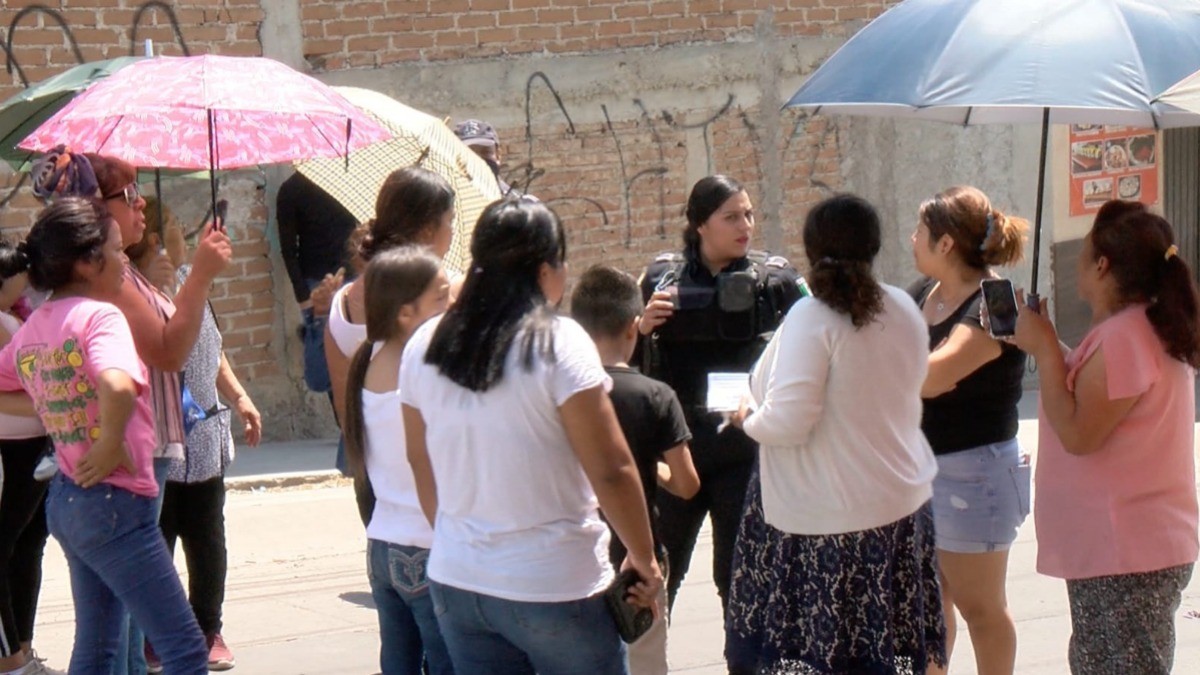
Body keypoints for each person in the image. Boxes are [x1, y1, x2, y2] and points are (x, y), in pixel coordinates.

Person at [400, 198, 664, 674]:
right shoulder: (558, 341)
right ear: (546, 271)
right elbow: (611, 468)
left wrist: (461, 540)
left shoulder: (426, 343)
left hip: (458, 581)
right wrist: (644, 558)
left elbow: (419, 461)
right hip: (556, 585)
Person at [31, 148, 232, 675]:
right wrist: (201, 277)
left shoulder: (93, 286)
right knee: (165, 645)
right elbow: (161, 355)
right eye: (128, 195)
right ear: (96, 211)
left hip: (84, 489)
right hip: (120, 481)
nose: (142, 205)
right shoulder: (106, 287)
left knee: (104, 641)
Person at [725, 194, 945, 674]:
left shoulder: (813, 317)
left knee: (817, 658)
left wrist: (747, 418)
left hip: (828, 525)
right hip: (898, 512)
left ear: (811, 248)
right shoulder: (903, 306)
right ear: (874, 246)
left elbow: (788, 421)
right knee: (893, 652)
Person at [1012, 200, 1199, 675]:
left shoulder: (1123, 336)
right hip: (1132, 546)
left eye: (1085, 252)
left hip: (1125, 551)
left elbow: (1078, 433)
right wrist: (1048, 343)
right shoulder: (1141, 328)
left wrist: (1046, 355)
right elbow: (1094, 391)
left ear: (1102, 263)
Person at [636, 175, 803, 616]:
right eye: (731, 217)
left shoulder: (777, 280)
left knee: (743, 584)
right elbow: (625, 365)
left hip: (743, 451)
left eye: (748, 214)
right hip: (679, 451)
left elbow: (815, 347)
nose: (744, 225)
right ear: (700, 225)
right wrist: (642, 327)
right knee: (656, 577)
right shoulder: (660, 277)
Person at [135, 197, 262, 672]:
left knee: (208, 540)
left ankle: (208, 627)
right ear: (147, 242)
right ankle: (157, 633)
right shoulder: (139, 298)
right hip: (162, 441)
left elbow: (214, 351)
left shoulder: (192, 286)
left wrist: (239, 398)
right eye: (165, 227)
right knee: (159, 539)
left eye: (174, 224)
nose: (176, 234)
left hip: (205, 440)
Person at [908, 186, 1030, 675]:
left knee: (981, 608)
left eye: (919, 230)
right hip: (922, 468)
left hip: (975, 472)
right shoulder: (922, 292)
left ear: (944, 244)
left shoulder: (998, 302)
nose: (910, 238)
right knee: (925, 608)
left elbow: (934, 376)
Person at [571, 264, 699, 675]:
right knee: (643, 660)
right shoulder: (655, 395)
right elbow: (686, 483)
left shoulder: (560, 393)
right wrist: (652, 469)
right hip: (635, 560)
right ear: (633, 327)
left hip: (573, 554)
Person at [342, 246, 454, 675]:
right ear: (407, 313)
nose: (451, 308)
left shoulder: (368, 357)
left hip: (383, 544)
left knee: (398, 663)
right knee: (447, 665)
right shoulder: (424, 365)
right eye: (441, 298)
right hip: (426, 545)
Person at [324, 167, 455, 528]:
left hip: (374, 485)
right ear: (428, 230)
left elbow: (343, 408)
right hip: (431, 493)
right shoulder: (442, 296)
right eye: (450, 221)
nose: (453, 232)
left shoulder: (343, 302)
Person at [0, 243, 58, 675]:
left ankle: (22, 646)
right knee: (8, 548)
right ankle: (12, 657)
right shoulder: (5, 322)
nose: (27, 274)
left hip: (32, 447)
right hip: (15, 451)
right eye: (18, 269)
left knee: (29, 547)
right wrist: (52, 406)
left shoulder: (17, 315)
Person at [276, 172, 359, 397]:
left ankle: (352, 425)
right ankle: (344, 424)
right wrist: (303, 298)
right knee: (326, 367)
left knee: (358, 357)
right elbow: (288, 249)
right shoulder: (291, 189)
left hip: (354, 279)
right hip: (317, 287)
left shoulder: (346, 180)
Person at [453, 119, 519, 197]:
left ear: (498, 155)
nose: (479, 160)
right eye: (469, 154)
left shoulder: (522, 205)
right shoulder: (446, 206)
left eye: (485, 152)